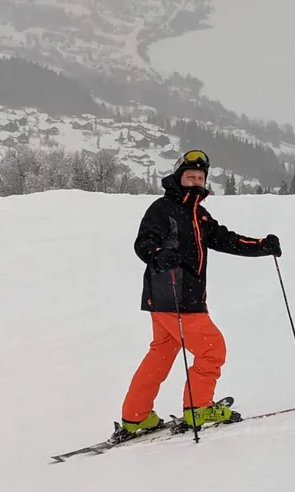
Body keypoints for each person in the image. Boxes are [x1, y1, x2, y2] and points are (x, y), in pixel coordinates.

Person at [117, 149, 282, 435]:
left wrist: (261, 246)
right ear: (178, 178)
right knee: (212, 349)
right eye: (189, 176)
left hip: (166, 299)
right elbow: (143, 243)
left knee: (162, 354)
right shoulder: (163, 208)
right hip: (175, 294)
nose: (195, 181)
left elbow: (226, 240)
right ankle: (199, 408)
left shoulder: (199, 214)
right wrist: (158, 254)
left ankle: (136, 415)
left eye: (200, 178)